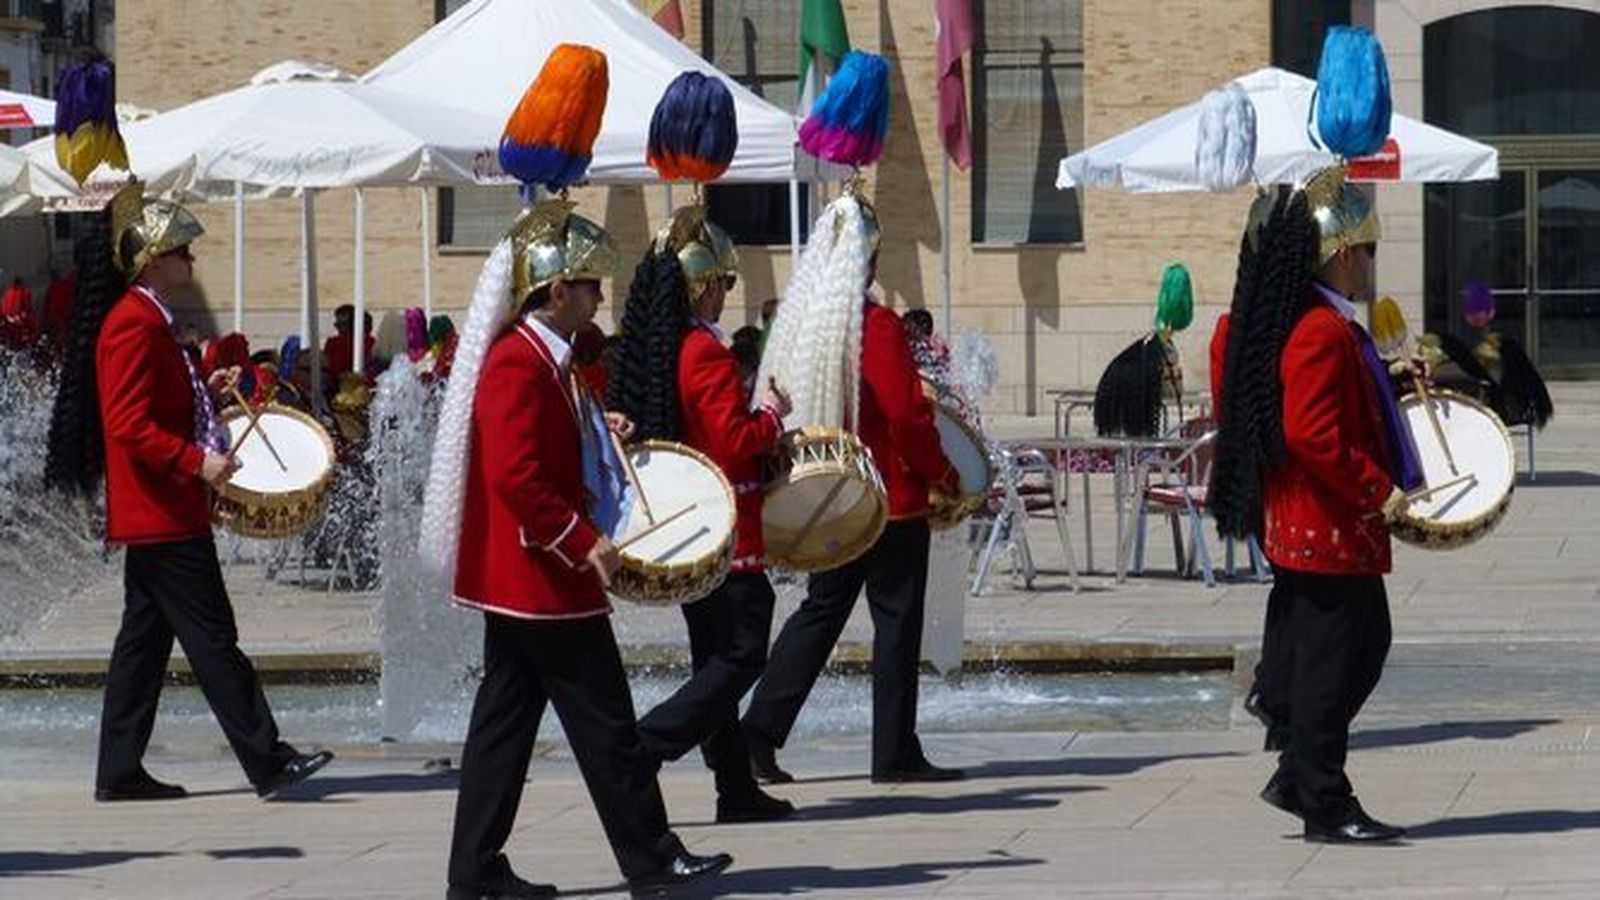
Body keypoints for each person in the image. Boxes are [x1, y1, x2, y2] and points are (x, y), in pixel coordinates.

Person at [420, 45, 731, 897]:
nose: (599, 299)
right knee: (606, 726)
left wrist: (604, 423)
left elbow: (549, 446)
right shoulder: (521, 362)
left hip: (528, 578)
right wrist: (579, 539)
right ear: (553, 291)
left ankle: (476, 871)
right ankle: (651, 857)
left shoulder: (541, 357)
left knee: (504, 731)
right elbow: (520, 475)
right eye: (589, 287)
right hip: (541, 575)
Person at [43, 183, 333, 803]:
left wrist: (204, 378)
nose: (191, 262)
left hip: (158, 516)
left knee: (142, 650)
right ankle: (269, 759)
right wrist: (197, 462)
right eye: (182, 252)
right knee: (213, 639)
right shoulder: (133, 324)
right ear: (152, 260)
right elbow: (127, 422)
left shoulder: (145, 320)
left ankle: (118, 771)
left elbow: (156, 400)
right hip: (164, 513)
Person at [1209, 165, 1421, 845]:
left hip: (1307, 527)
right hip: (1328, 526)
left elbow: (1322, 405)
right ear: (1339, 253)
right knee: (1339, 665)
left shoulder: (1305, 323)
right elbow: (1311, 433)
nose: (1368, 264)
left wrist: (1389, 379)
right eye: (1366, 250)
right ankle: (1322, 797)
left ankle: (1299, 771)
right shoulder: (1320, 330)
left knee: (1345, 652)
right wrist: (1377, 489)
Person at [742, 188, 963, 785]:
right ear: (868, 262)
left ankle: (759, 731)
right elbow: (907, 416)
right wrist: (943, 473)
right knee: (896, 626)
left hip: (835, 497)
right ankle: (893, 750)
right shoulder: (877, 326)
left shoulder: (806, 328)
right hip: (890, 496)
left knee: (819, 615)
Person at [611, 196, 795, 823]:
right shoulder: (704, 352)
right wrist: (771, 417)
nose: (724, 295)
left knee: (714, 658)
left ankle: (734, 790)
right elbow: (733, 441)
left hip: (697, 532)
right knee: (744, 653)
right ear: (703, 285)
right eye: (721, 283)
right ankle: (651, 742)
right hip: (728, 539)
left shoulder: (667, 351)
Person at [323, 303, 375, 377]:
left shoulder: (333, 344)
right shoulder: (372, 343)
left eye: (343, 324)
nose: (338, 327)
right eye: (337, 324)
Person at [1, 275, 38, 351]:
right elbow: (28, 308)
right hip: (19, 326)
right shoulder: (24, 292)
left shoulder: (7, 292)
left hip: (8, 325)